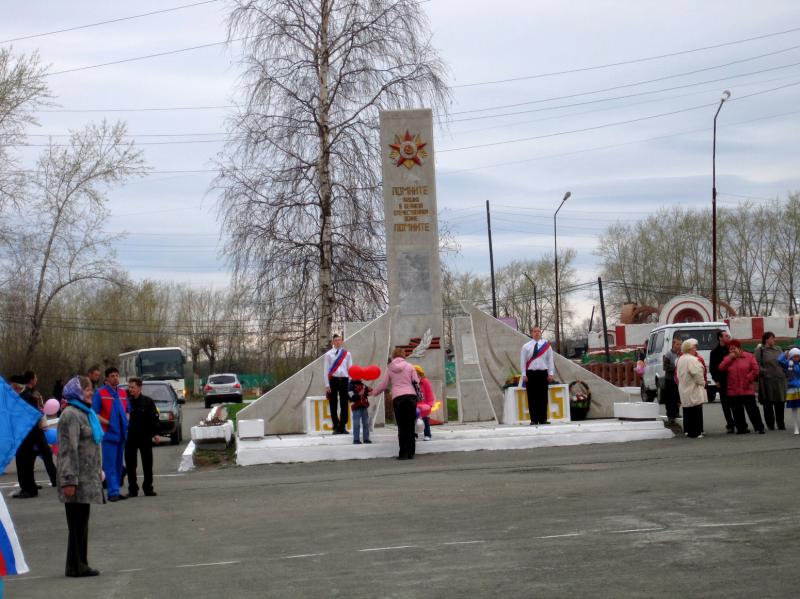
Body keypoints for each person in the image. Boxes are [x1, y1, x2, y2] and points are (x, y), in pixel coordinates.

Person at [58, 376, 103, 577]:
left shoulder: (85, 413)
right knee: (76, 524)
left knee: (81, 523)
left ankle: (78, 564)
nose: (91, 392)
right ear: (76, 391)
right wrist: (69, 480)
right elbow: (68, 450)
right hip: (75, 479)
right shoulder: (70, 415)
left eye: (91, 389)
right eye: (87, 389)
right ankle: (77, 566)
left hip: (87, 478)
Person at [370, 348, 420, 460]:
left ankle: (403, 453)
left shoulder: (390, 369)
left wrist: (373, 392)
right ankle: (411, 453)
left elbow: (383, 385)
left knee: (401, 426)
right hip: (411, 398)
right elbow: (416, 382)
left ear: (393, 356)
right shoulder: (410, 366)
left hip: (398, 399)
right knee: (410, 426)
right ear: (403, 355)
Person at [92, 367, 129, 501]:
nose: (115, 378)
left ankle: (116, 490)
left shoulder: (123, 393)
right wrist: (107, 422)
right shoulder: (100, 393)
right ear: (107, 378)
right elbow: (94, 413)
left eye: (117, 375)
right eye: (112, 376)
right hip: (108, 434)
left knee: (119, 465)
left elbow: (127, 410)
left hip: (121, 434)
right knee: (110, 464)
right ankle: (112, 492)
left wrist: (126, 421)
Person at [719, 339, 765, 434]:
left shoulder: (749, 356)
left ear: (739, 348)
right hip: (733, 389)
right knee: (737, 410)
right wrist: (729, 358)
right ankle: (741, 428)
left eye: (734, 348)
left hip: (747, 388)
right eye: (730, 349)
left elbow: (755, 369)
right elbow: (721, 368)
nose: (732, 351)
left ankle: (759, 427)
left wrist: (748, 378)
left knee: (752, 409)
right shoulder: (728, 358)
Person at [125, 377, 159, 497]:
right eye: (129, 387)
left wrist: (155, 434)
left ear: (139, 387)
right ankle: (132, 489)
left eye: (133, 387)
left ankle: (148, 488)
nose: (130, 390)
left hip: (144, 436)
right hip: (130, 437)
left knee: (147, 464)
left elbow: (154, 419)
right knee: (130, 465)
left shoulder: (148, 402)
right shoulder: (126, 402)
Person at [13, 371, 44, 498]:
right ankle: (25, 487)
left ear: (16, 387)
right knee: (21, 463)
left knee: (25, 463)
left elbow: (33, 417)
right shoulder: (21, 397)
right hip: (22, 436)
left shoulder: (27, 397)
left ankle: (29, 489)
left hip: (28, 437)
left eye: (11, 386)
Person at [520, 326, 555, 425]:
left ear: (541, 333)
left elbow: (550, 360)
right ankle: (534, 420)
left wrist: (551, 373)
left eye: (539, 331)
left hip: (543, 373)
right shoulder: (526, 346)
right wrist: (524, 374)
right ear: (531, 333)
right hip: (531, 374)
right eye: (535, 331)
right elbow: (523, 361)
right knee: (532, 397)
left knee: (543, 397)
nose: (537, 333)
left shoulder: (547, 346)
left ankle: (543, 419)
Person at [676, 339, 707, 438]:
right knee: (696, 410)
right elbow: (697, 373)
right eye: (694, 347)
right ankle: (696, 432)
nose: (695, 349)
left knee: (687, 410)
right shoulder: (692, 359)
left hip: (683, 386)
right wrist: (702, 382)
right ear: (689, 349)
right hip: (693, 387)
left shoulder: (680, 359)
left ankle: (688, 431)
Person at [755, 332, 786, 431]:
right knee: (768, 403)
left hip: (780, 379)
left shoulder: (779, 349)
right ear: (766, 339)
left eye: (774, 338)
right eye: (772, 338)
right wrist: (764, 372)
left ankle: (781, 424)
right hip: (767, 380)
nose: (774, 340)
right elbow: (756, 364)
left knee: (780, 403)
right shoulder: (760, 350)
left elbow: (783, 362)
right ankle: (770, 424)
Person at [323, 334, 352, 435]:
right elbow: (326, 370)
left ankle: (342, 426)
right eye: (335, 340)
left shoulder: (347, 354)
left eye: (339, 340)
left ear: (342, 341)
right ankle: (335, 426)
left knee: (344, 404)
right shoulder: (328, 354)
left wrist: (350, 383)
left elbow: (350, 369)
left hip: (344, 380)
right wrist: (327, 384)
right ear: (332, 343)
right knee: (333, 404)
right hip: (333, 380)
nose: (338, 342)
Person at [710, 330, 736, 433]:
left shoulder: (732, 350)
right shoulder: (714, 352)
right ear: (720, 338)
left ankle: (738, 422)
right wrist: (716, 380)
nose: (728, 337)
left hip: (733, 379)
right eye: (726, 336)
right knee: (725, 404)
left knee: (735, 403)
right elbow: (712, 368)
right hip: (722, 381)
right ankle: (730, 424)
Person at [778, 348, 800, 435]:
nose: (796, 358)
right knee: (794, 409)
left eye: (798, 356)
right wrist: (785, 353)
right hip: (792, 389)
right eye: (794, 356)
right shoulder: (788, 364)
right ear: (791, 357)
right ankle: (796, 427)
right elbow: (779, 360)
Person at [661, 337, 682, 424]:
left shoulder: (680, 354)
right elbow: (665, 367)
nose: (679, 346)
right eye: (677, 344)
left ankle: (676, 413)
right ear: (673, 344)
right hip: (670, 379)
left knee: (678, 397)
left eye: (680, 344)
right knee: (670, 399)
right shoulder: (668, 354)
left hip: (678, 380)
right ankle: (670, 416)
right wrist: (676, 367)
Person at [414, 365, 436, 441]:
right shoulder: (412, 382)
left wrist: (430, 404)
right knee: (413, 420)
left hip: (424, 405)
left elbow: (429, 393)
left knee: (425, 419)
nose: (416, 375)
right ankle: (414, 434)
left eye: (417, 373)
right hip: (414, 404)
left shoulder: (425, 381)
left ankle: (427, 434)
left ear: (420, 374)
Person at [348, 380, 371, 445]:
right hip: (356, 407)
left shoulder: (363, 384)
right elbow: (351, 397)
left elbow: (367, 393)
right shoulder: (350, 385)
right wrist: (359, 394)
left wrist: (369, 390)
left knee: (366, 423)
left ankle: (366, 439)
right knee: (356, 424)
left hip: (364, 406)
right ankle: (356, 439)